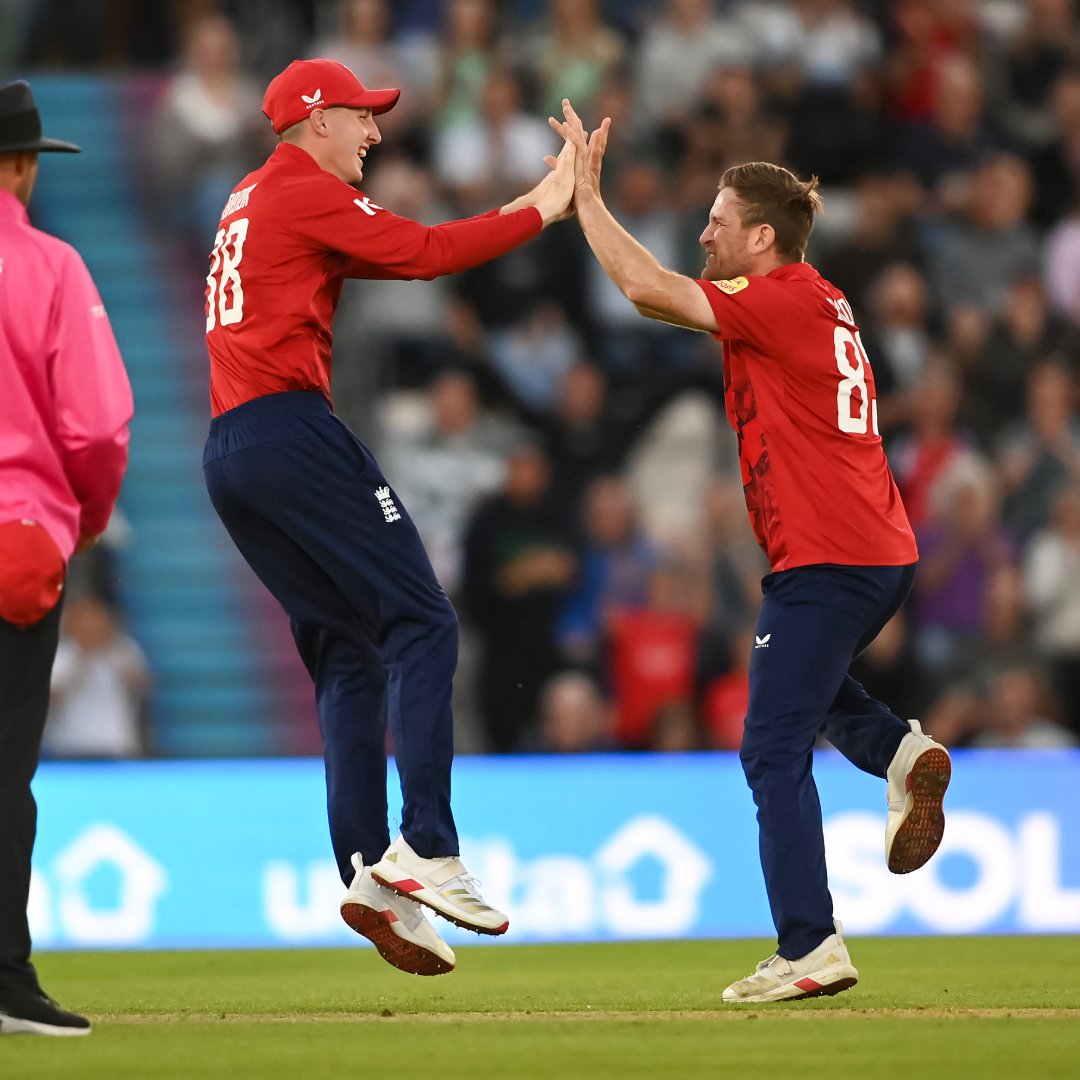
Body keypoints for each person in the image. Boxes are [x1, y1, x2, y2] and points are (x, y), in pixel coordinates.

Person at [552, 100, 951, 1003]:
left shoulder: (773, 299)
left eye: (719, 223)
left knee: (770, 746)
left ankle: (810, 944)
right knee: (805, 697)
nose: (704, 231)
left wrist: (584, 195)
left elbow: (647, 290)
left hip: (829, 554)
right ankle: (896, 755)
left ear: (761, 238)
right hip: (873, 547)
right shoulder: (824, 298)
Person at [201, 58, 575, 978]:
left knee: (347, 652)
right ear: (315, 119)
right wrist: (544, 203)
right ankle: (430, 848)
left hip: (231, 450)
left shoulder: (249, 195)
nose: (374, 132)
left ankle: (368, 872)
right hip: (291, 430)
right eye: (361, 117)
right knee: (423, 618)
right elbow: (425, 253)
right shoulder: (296, 187)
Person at [0, 79, 133, 1035]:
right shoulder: (48, 267)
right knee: (4, 774)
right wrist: (80, 521)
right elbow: (93, 428)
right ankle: (5, 982)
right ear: (18, 168)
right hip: (16, 540)